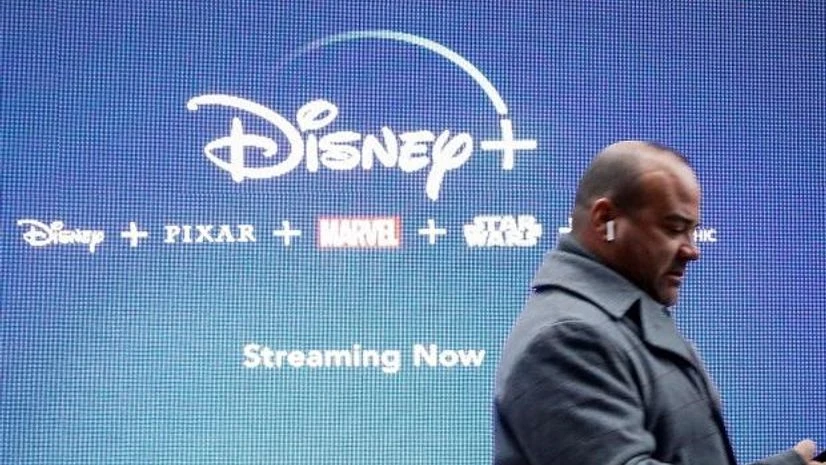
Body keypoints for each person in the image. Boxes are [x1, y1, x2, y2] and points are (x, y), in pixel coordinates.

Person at [493, 141, 820, 465]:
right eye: (675, 228)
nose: (692, 250)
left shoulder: (617, 322)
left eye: (692, 231)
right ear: (605, 219)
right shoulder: (566, 338)